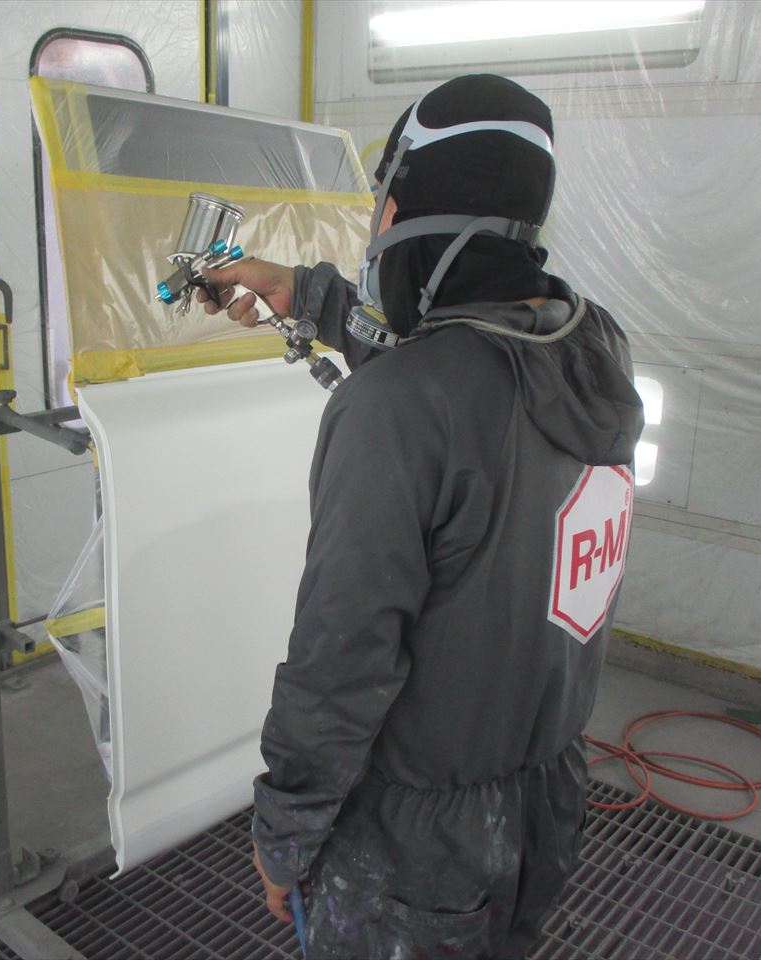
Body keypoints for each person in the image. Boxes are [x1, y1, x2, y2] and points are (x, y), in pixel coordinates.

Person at [199, 74, 644, 959]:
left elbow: (341, 657)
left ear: (398, 208)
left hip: (413, 853)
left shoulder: (395, 408)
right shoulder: (594, 349)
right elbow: (466, 375)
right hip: (545, 807)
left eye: (379, 207)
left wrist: (284, 832)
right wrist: (308, 295)